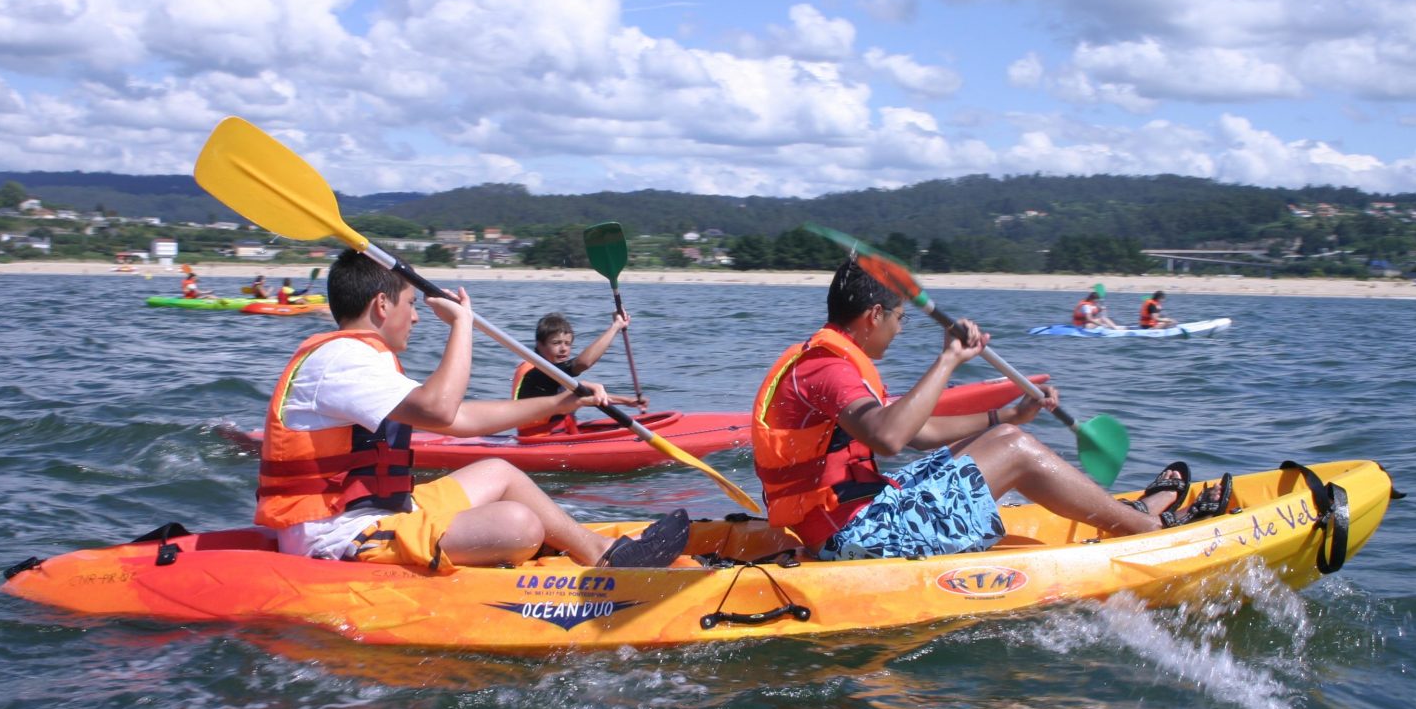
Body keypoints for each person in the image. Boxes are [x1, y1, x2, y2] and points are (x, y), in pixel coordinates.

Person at [750, 260, 1230, 561]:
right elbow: (891, 438)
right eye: (898, 320)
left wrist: (1006, 418)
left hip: (851, 519)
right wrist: (948, 359)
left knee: (1003, 441)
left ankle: (1130, 513)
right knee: (1016, 452)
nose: (898, 332)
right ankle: (1147, 525)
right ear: (874, 316)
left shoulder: (823, 361)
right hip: (851, 538)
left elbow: (918, 431)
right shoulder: (829, 368)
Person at [255, 248, 690, 570]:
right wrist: (463, 324)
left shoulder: (357, 358)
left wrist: (558, 402)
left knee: (500, 471)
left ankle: (601, 554)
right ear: (382, 305)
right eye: (411, 304)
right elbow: (444, 410)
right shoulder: (341, 359)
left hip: (385, 512)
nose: (417, 317)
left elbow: (461, 419)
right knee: (519, 525)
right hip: (337, 535)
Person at [512, 310, 647, 436]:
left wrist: (627, 401)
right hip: (542, 439)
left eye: (567, 343)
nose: (563, 349)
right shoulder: (538, 372)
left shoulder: (552, 373)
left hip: (556, 434)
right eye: (556, 343)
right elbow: (583, 363)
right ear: (540, 345)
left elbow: (582, 395)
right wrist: (616, 326)